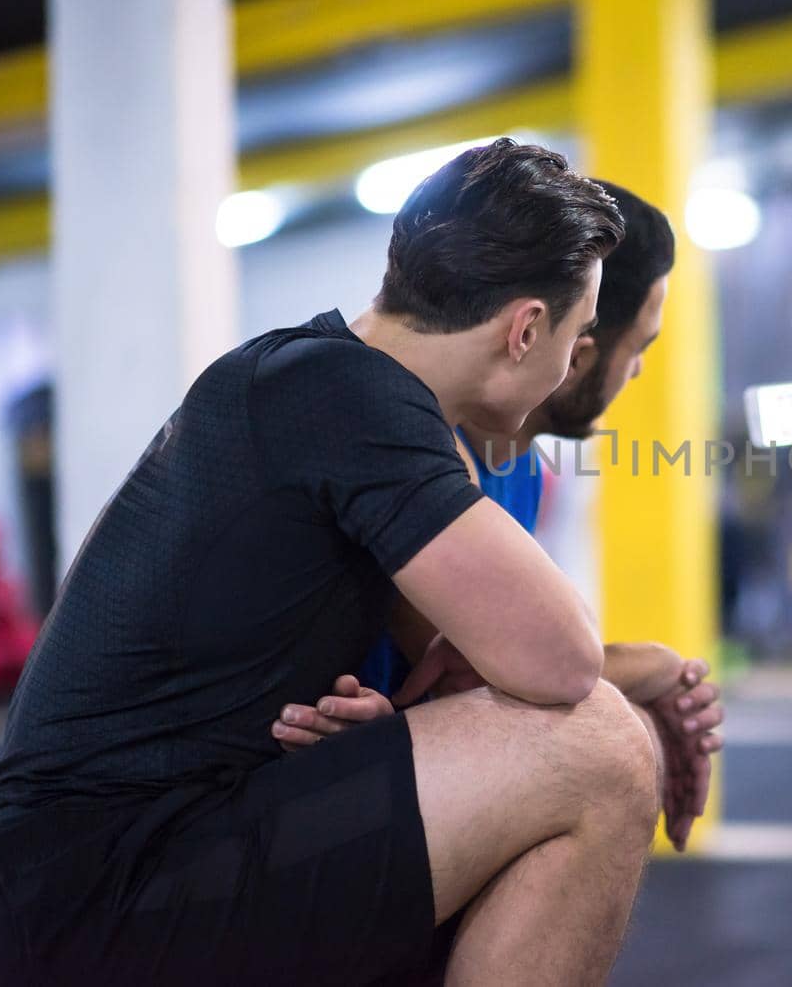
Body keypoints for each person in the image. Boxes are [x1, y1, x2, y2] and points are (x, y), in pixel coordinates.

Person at [0, 140, 706, 987]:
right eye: (579, 333)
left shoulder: (320, 379)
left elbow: (461, 680)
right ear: (524, 331)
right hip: (85, 899)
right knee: (598, 751)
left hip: (103, 876)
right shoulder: (354, 397)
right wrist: (655, 670)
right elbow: (558, 662)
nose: (577, 361)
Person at [280, 181, 722, 858]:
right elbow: (491, 673)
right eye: (638, 347)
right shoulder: (421, 459)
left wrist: (650, 681)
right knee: (602, 744)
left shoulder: (524, 470)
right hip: (292, 787)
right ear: (568, 343)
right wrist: (653, 669)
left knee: (608, 727)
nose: (635, 373)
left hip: (376, 760)